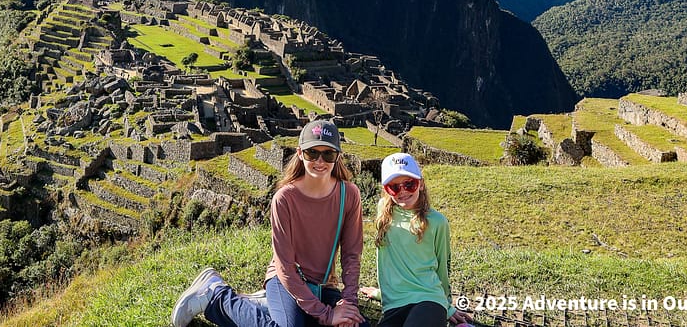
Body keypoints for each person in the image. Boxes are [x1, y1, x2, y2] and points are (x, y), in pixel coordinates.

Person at [172, 119, 369, 327]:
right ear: (300, 153)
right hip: (285, 280)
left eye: (328, 154)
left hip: (322, 285)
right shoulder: (284, 199)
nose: (320, 161)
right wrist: (326, 315)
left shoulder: (349, 194)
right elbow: (285, 267)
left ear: (337, 156)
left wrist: (349, 304)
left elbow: (351, 254)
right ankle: (216, 296)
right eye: (313, 153)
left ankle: (265, 305)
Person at [360, 153, 473, 327]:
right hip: (394, 303)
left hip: (430, 298)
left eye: (409, 184)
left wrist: (447, 306)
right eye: (394, 188)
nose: (403, 191)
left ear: (420, 183)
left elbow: (443, 266)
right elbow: (390, 263)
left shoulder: (437, 222)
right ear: (386, 190)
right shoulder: (384, 213)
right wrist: (380, 293)